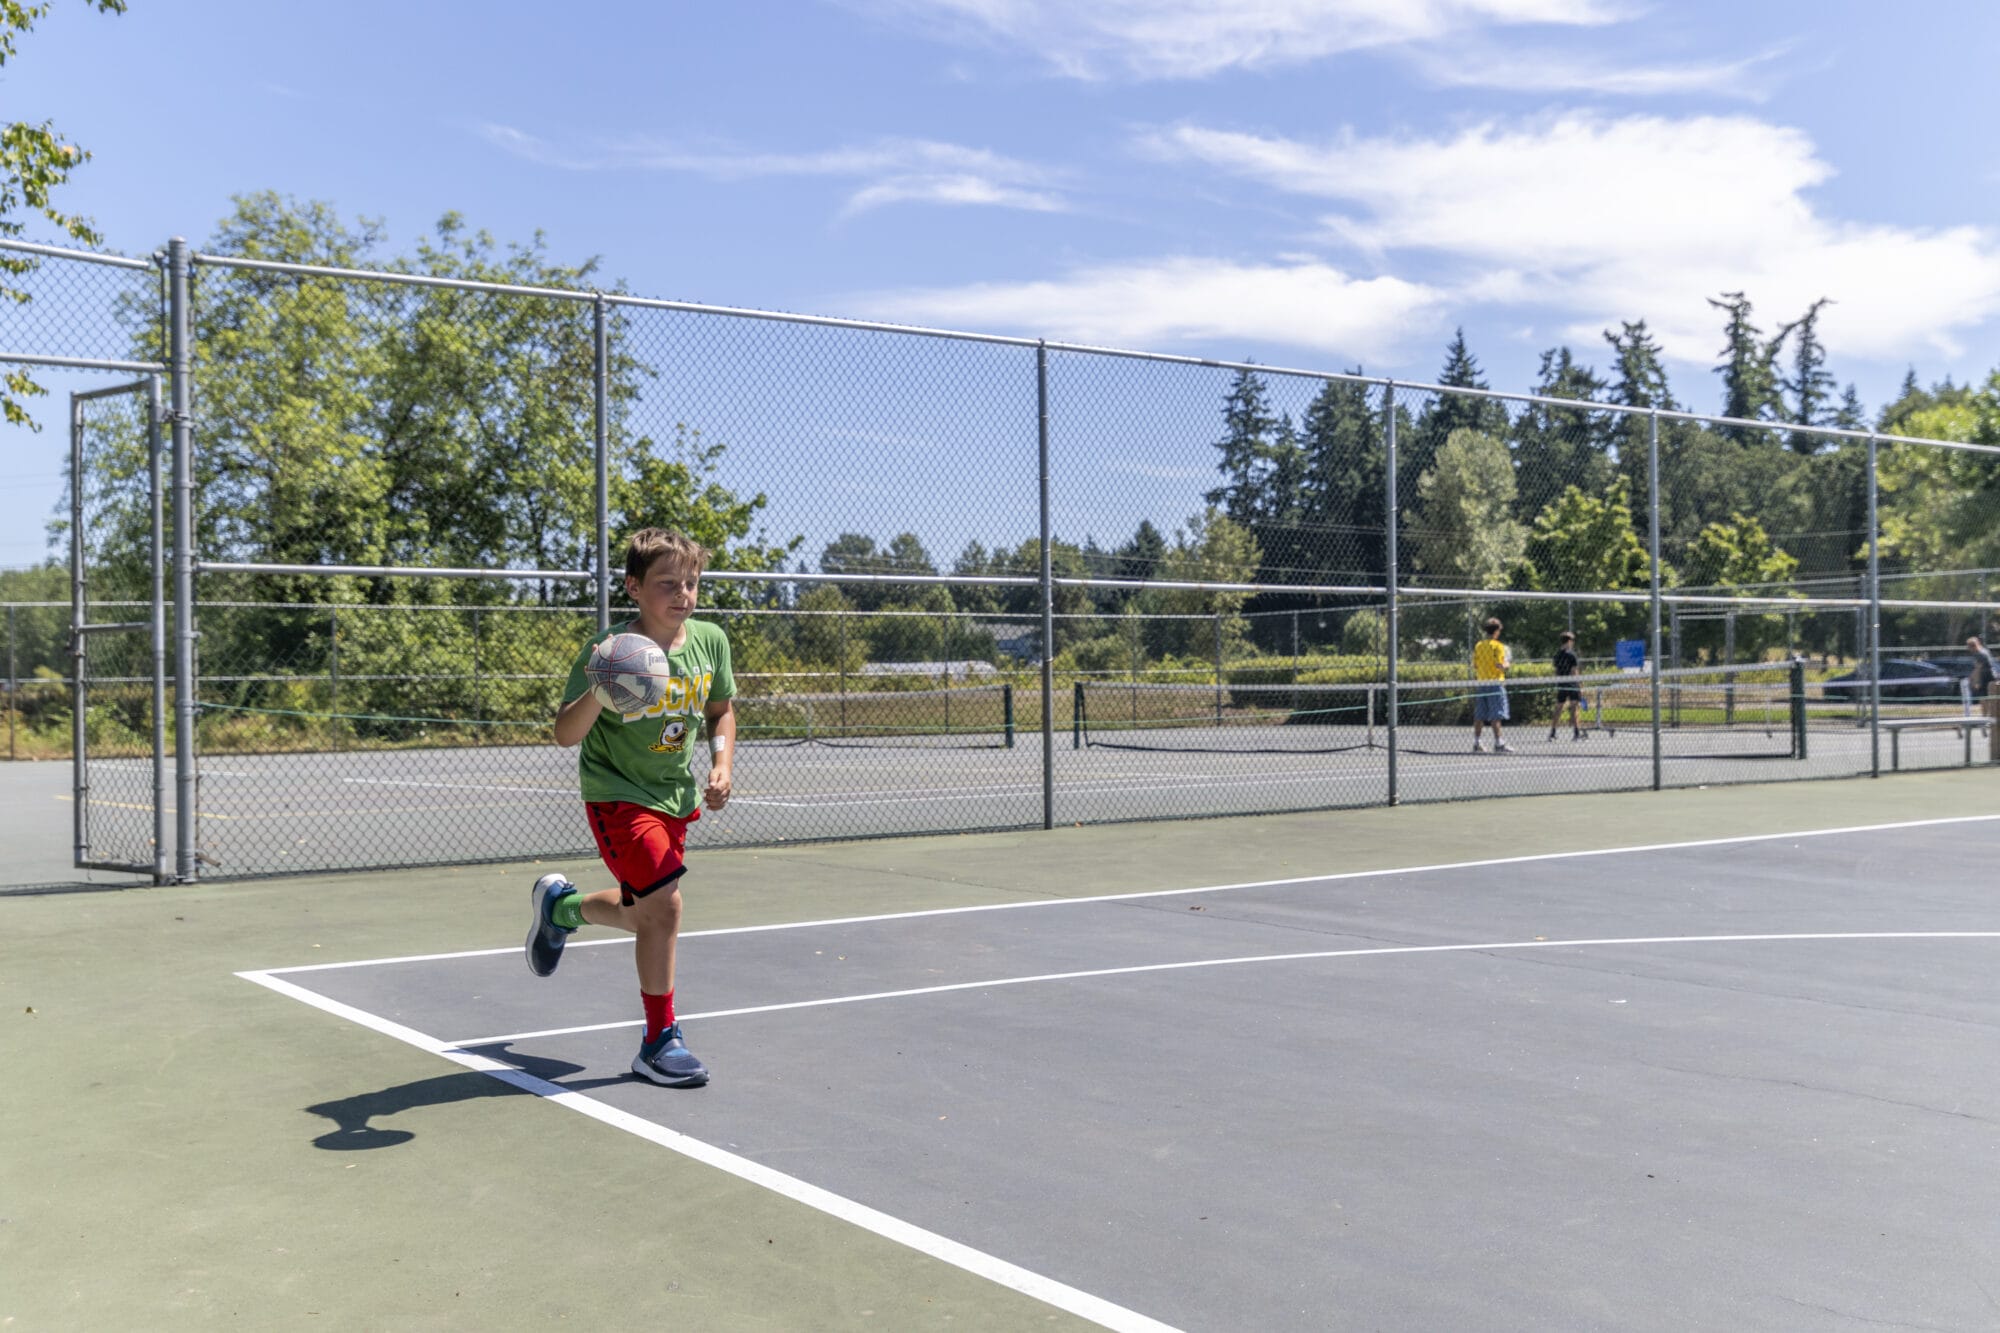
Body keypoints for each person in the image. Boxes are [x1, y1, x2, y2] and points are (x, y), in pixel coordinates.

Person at [525, 528, 736, 1088]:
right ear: (634, 587)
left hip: (675, 801)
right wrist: (600, 688)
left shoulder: (711, 641)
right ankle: (658, 1041)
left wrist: (721, 763)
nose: (683, 593)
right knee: (665, 909)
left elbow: (721, 711)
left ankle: (562, 911)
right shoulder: (610, 652)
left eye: (691, 583)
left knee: (644, 914)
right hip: (617, 797)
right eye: (668, 583)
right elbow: (564, 735)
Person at [1471, 616, 1513, 753]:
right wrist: (1506, 665)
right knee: (1496, 714)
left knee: (1480, 715)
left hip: (1482, 682)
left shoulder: (1479, 645)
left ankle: (1477, 742)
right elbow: (1501, 664)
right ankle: (1499, 743)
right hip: (1495, 683)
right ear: (1497, 631)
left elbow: (1475, 665)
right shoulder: (1498, 646)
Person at [1548, 630, 1584, 741]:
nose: (1573, 643)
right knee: (1574, 708)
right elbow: (1574, 672)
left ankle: (1553, 732)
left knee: (1558, 708)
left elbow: (1556, 671)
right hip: (1571, 684)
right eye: (1572, 641)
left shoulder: (1557, 655)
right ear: (1569, 641)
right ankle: (1576, 733)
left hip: (1561, 684)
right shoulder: (1572, 655)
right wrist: (1579, 685)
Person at [1969, 635, 1999, 762]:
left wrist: (1975, 680)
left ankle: (1985, 718)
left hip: (1986, 677)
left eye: (1969, 646)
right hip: (1991, 676)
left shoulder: (1979, 653)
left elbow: (1978, 668)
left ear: (1974, 645)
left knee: (1984, 698)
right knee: (1987, 698)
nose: (1968, 648)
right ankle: (1986, 718)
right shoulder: (1984, 651)